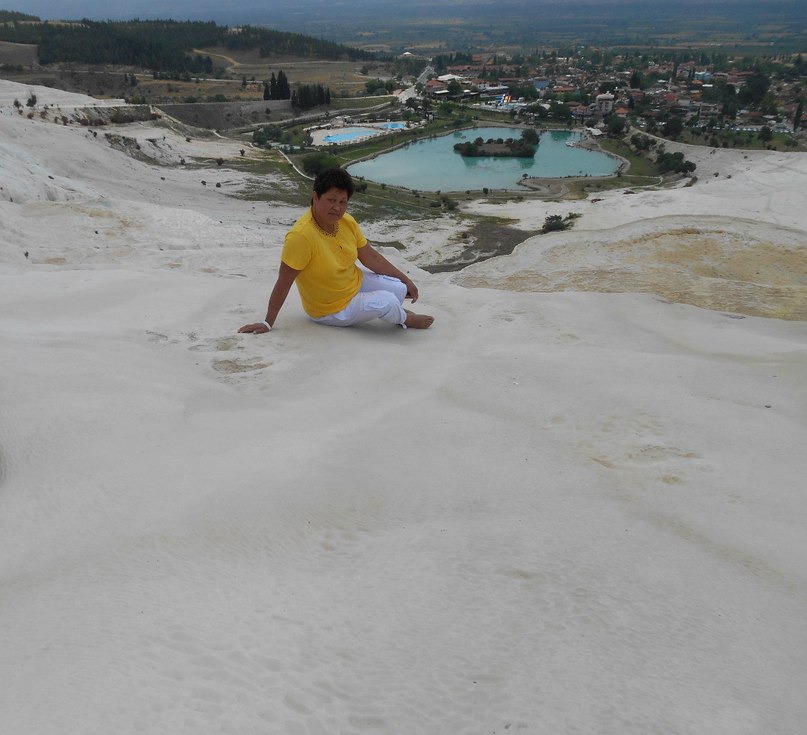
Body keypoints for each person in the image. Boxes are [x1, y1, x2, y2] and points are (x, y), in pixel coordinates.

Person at [238, 167, 434, 335]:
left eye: (343, 202)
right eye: (331, 200)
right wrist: (267, 322)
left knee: (399, 288)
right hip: (330, 308)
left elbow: (371, 257)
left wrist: (406, 279)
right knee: (389, 302)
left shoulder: (346, 221)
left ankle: (393, 309)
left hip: (352, 283)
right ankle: (406, 318)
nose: (337, 208)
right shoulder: (301, 236)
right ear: (315, 197)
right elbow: (284, 281)